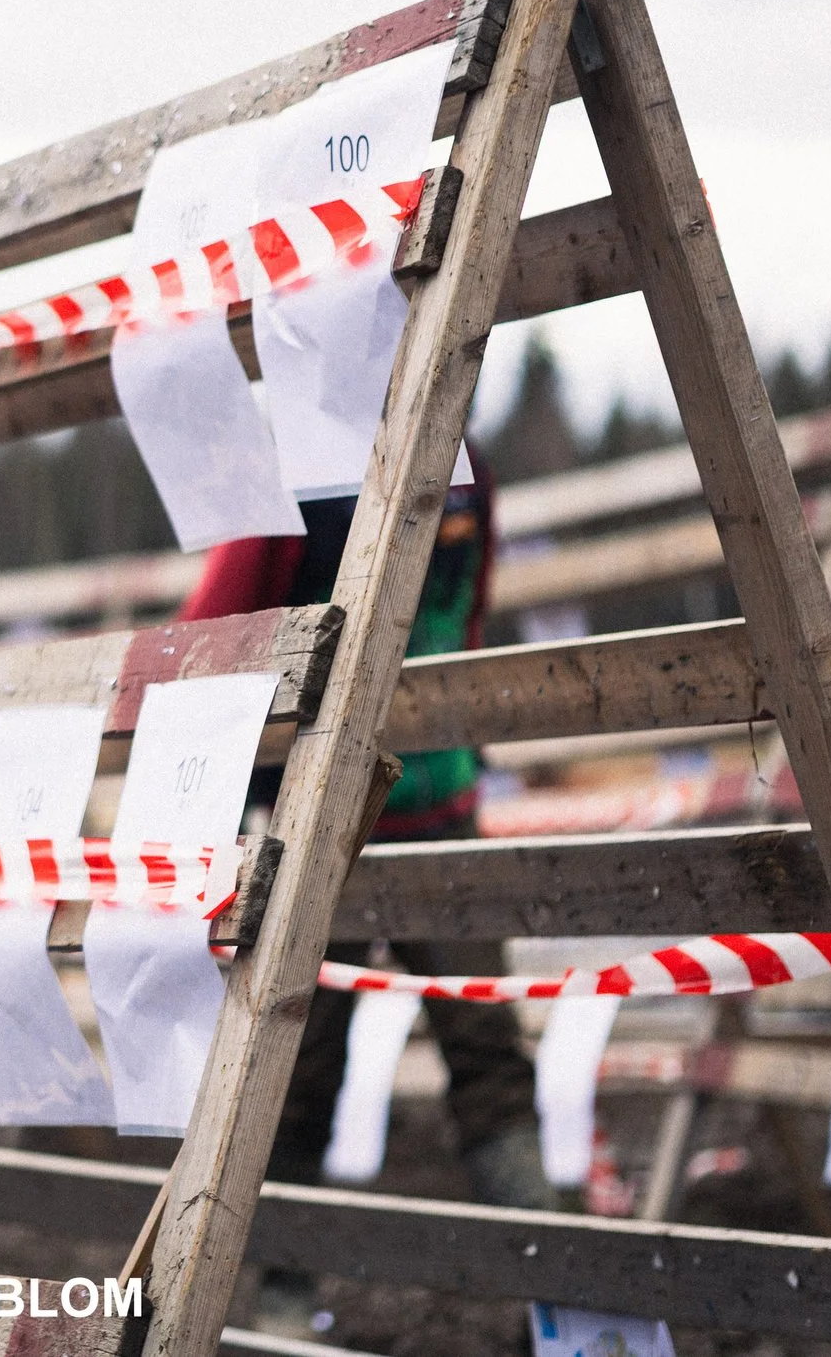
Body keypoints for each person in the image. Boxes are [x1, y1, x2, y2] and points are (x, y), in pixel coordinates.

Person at [176, 448, 552, 1212]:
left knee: (324, 1062)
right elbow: (212, 636)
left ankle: (553, 1303)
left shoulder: (318, 466)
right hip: (358, 814)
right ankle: (556, 1303)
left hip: (361, 812)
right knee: (319, 1064)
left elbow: (206, 635)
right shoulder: (446, 461)